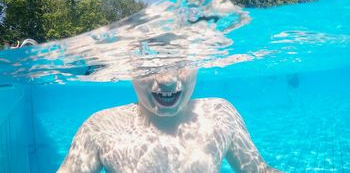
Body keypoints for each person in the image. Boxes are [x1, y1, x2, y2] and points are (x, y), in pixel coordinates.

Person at [58, 68, 281, 173]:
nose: (168, 80)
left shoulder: (220, 113)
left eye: (180, 62)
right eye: (150, 65)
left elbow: (260, 171)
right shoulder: (101, 126)